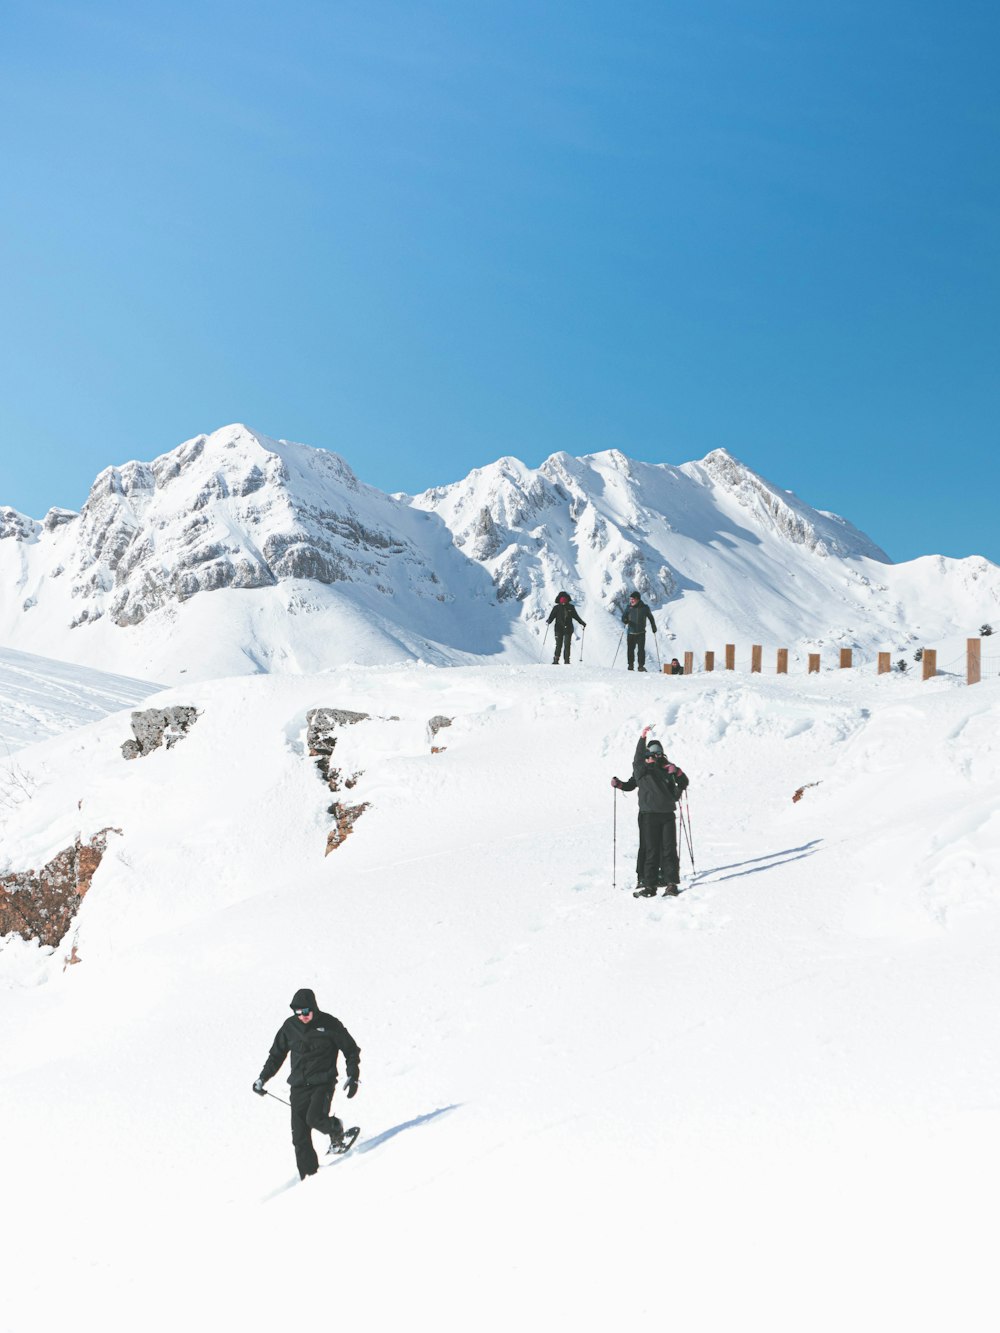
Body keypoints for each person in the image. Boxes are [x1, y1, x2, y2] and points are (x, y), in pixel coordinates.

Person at [253, 987, 361, 1180]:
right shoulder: (289, 1027)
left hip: (323, 1083)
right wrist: (263, 1078)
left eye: (305, 1011)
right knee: (299, 1137)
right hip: (299, 1087)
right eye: (297, 1012)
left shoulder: (330, 1024)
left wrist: (353, 1075)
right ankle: (310, 1178)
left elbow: (351, 1050)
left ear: (314, 1008)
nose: (302, 1016)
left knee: (315, 1118)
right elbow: (276, 1056)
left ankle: (335, 1129)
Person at [612, 725, 688, 897]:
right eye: (651, 754)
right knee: (650, 848)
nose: (655, 757)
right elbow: (632, 778)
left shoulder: (666, 768)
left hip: (666, 813)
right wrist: (642, 737)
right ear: (646, 755)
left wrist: (678, 774)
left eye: (657, 753)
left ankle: (668, 881)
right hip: (648, 814)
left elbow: (681, 783)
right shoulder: (641, 770)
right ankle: (647, 882)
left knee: (668, 848)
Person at [546, 591, 586, 664]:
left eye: (564, 599)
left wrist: (582, 622)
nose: (563, 600)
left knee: (562, 645)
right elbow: (552, 616)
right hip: (562, 629)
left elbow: (576, 616)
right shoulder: (559, 608)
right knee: (564, 645)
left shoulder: (566, 607)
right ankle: (565, 661)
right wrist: (549, 620)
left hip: (564, 629)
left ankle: (558, 660)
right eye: (562, 599)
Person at [622, 591, 656, 672]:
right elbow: (623, 617)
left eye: (633, 599)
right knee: (630, 650)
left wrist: (653, 627)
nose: (631, 601)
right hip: (630, 633)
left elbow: (651, 618)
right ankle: (630, 666)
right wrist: (625, 620)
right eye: (631, 599)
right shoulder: (628, 607)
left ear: (637, 599)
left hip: (641, 633)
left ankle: (641, 666)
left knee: (641, 651)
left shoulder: (645, 608)